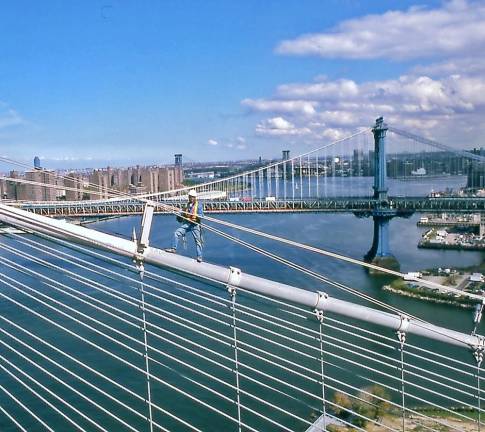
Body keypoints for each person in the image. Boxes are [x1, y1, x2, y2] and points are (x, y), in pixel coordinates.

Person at [165, 189, 204, 262]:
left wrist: (196, 215)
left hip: (195, 225)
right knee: (176, 233)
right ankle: (173, 248)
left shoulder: (199, 206)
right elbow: (183, 213)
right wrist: (179, 214)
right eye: (189, 197)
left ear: (195, 197)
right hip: (188, 224)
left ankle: (199, 256)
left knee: (198, 241)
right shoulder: (187, 205)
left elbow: (202, 216)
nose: (190, 198)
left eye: (192, 197)